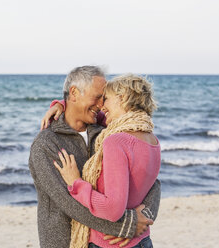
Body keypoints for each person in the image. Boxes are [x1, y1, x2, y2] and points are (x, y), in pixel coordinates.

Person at [29, 66, 161, 248]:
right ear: (74, 92)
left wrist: (147, 214)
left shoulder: (107, 132)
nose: (101, 105)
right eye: (98, 96)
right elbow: (69, 202)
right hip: (65, 242)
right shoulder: (47, 144)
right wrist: (127, 225)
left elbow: (147, 178)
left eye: (105, 98)